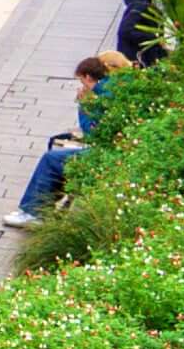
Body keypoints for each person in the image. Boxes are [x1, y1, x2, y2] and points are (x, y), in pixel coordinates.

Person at [8, 52, 131, 226]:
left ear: (88, 77)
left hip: (111, 154)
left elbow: (93, 133)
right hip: (121, 149)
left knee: (52, 159)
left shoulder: (105, 93)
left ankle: (35, 212)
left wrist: (84, 105)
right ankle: (40, 209)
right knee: (61, 157)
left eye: (82, 82)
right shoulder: (123, 85)